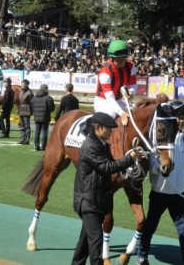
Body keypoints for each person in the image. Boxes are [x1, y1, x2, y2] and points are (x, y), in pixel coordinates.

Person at [71, 112, 141, 265]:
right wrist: (129, 159)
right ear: (97, 128)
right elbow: (106, 167)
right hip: (88, 201)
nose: (111, 131)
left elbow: (112, 163)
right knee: (96, 242)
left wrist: (132, 158)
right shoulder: (90, 146)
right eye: (108, 129)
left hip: (96, 201)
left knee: (84, 242)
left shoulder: (102, 144)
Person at [136, 101, 184, 265]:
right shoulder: (160, 139)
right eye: (178, 117)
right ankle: (141, 254)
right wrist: (158, 170)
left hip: (178, 195)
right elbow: (152, 161)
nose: (181, 120)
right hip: (159, 193)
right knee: (150, 226)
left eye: (183, 117)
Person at [94, 39, 137, 126]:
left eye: (124, 59)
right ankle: (91, 131)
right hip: (103, 101)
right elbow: (110, 99)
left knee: (137, 113)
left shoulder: (131, 67)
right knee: (110, 115)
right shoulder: (105, 72)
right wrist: (121, 113)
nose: (122, 62)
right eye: (118, 59)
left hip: (119, 100)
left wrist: (131, 93)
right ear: (112, 58)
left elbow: (134, 85)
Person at [30, 84, 55, 151]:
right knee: (44, 131)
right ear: (46, 89)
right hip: (45, 117)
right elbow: (51, 108)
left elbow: (32, 107)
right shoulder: (48, 98)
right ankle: (43, 146)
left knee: (37, 131)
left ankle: (36, 145)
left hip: (36, 117)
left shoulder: (34, 98)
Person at [18, 79, 34, 145]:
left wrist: (31, 111)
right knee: (21, 125)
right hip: (21, 109)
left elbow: (32, 103)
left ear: (27, 85)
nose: (22, 85)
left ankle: (27, 139)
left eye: (23, 84)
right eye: (21, 83)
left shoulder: (30, 93)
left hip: (27, 110)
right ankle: (22, 139)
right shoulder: (20, 92)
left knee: (27, 125)